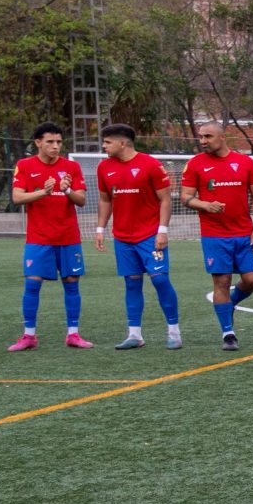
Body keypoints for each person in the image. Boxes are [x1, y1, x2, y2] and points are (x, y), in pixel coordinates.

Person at [96, 121, 183, 351]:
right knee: (131, 283)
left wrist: (162, 230)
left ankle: (174, 331)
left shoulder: (150, 165)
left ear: (122, 142)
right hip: (123, 237)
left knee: (160, 279)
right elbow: (105, 199)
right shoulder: (104, 168)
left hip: (150, 236)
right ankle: (135, 334)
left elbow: (165, 199)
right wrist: (100, 229)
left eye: (107, 142)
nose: (103, 146)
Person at [182, 121, 253, 349]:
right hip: (214, 235)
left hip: (244, 233)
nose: (203, 141)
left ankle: (231, 303)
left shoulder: (244, 162)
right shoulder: (195, 164)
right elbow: (186, 197)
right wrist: (205, 205)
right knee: (222, 281)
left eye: (208, 136)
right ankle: (228, 334)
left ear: (222, 136)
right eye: (201, 137)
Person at [9, 121, 89, 351]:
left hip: (68, 237)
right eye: (50, 142)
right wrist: (42, 192)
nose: (56, 146)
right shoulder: (24, 165)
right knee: (32, 285)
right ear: (38, 143)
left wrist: (66, 190)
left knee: (72, 284)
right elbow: (17, 197)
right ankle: (29, 335)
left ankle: (73, 334)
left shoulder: (71, 168)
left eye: (59, 142)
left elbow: (81, 200)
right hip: (38, 238)